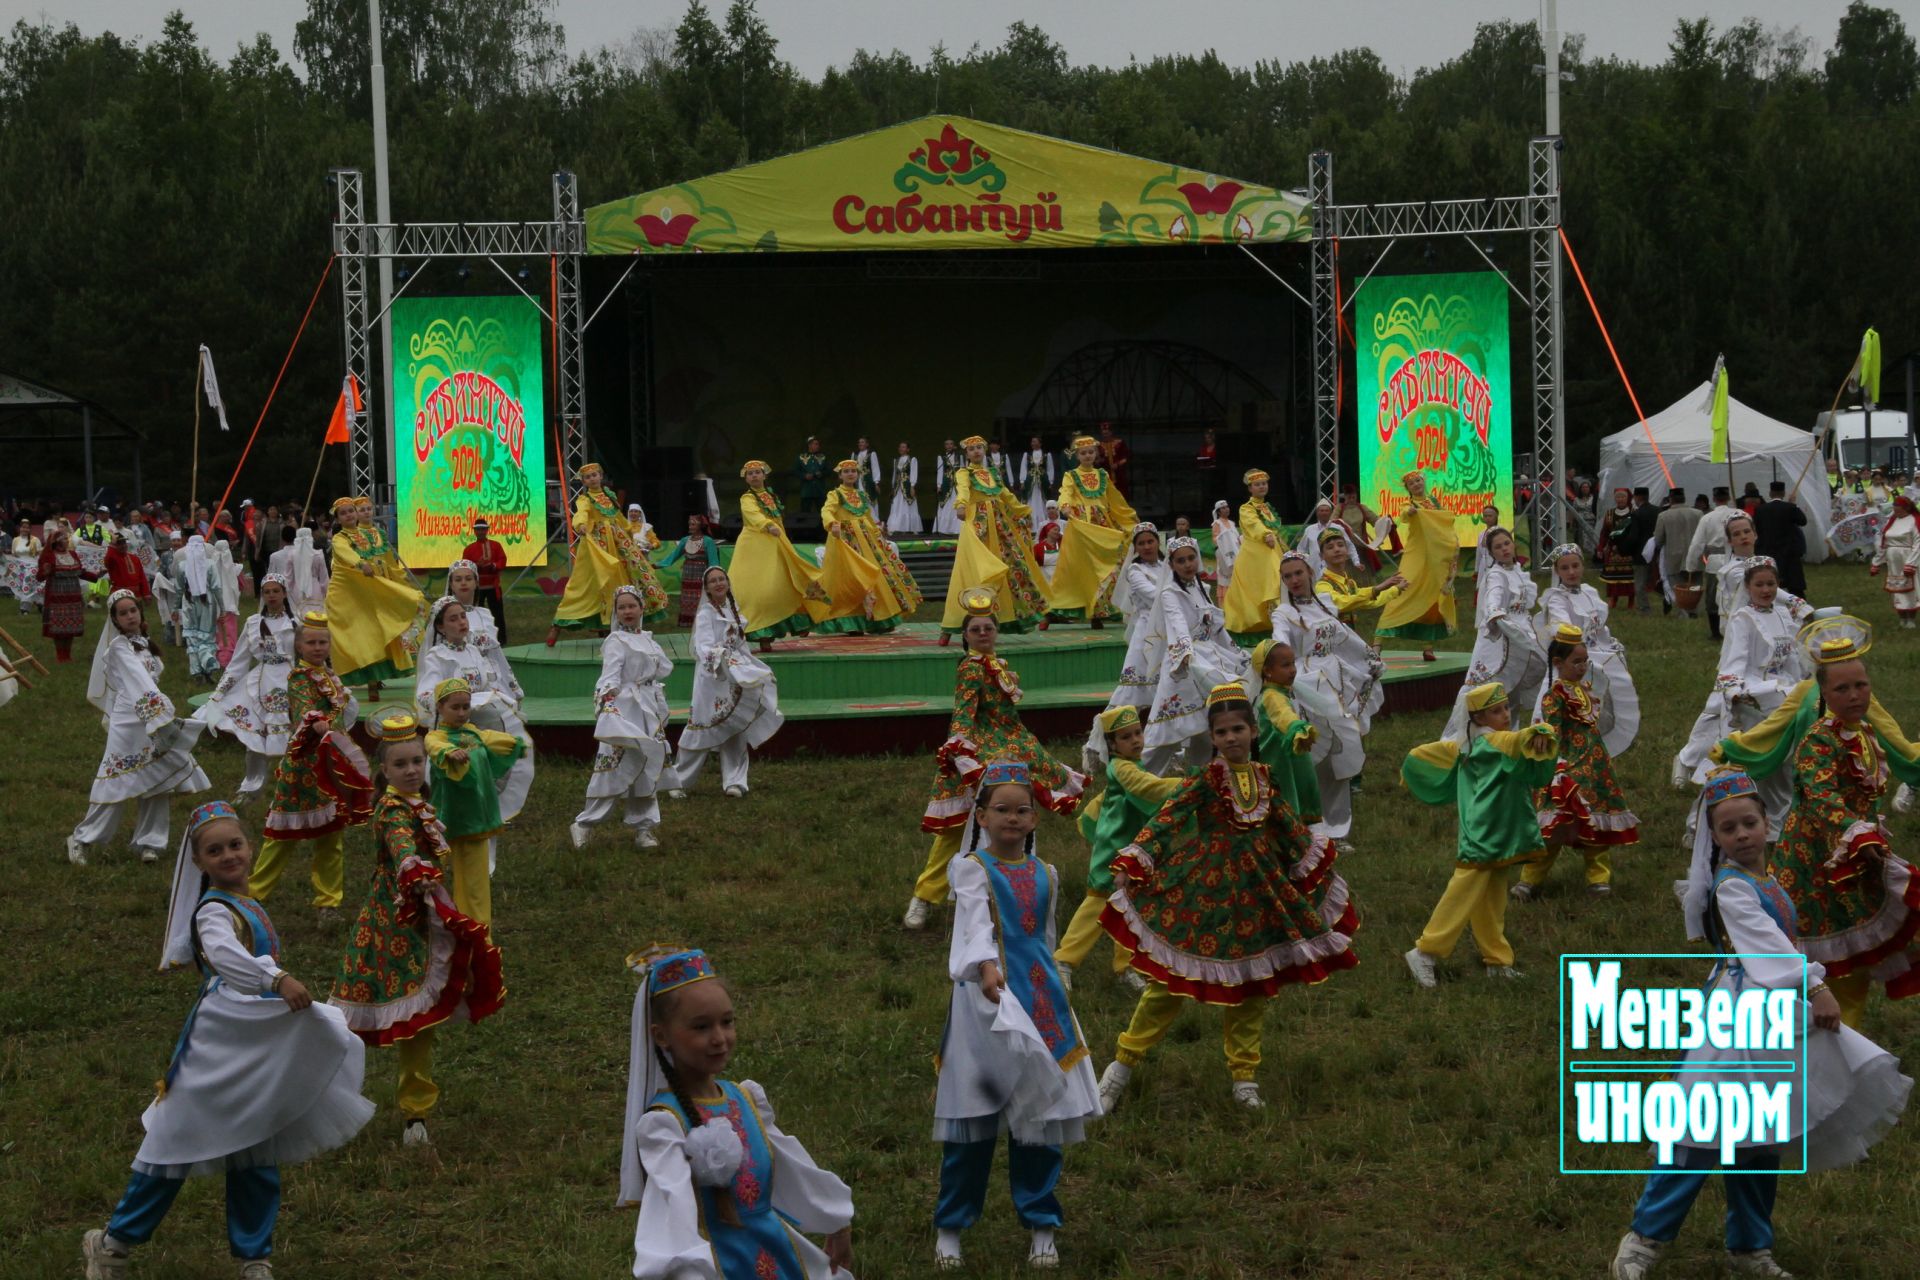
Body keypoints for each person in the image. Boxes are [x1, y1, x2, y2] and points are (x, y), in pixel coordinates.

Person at [1608, 766, 1911, 1280]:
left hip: (1770, 1012)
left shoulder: (1766, 879)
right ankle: (1644, 1240)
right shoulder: (1731, 887)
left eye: (1749, 822)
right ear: (1716, 838)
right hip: (1737, 1015)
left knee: (1757, 1132)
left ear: (1767, 822)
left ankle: (1749, 1247)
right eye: (1728, 829)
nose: (1742, 834)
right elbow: (1765, 949)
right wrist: (1815, 985)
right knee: (1700, 1127)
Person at [80, 800, 374, 1280]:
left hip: (253, 1032)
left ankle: (253, 1255)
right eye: (215, 851)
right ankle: (112, 1245)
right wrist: (276, 980)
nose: (229, 856)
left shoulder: (246, 902)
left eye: (235, 845)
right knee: (175, 1142)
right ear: (199, 862)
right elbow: (222, 955)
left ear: (250, 847)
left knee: (257, 1141)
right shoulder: (213, 910)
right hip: (220, 1036)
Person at [1097, 683, 1358, 1111]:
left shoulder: (1265, 778)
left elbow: (1285, 827)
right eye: (1221, 733)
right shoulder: (1205, 779)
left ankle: (1244, 1076)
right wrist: (1136, 860)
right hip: (1206, 890)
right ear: (1212, 738)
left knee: (1252, 985)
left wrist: (1314, 863)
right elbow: (1169, 816)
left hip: (1257, 893)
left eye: (1238, 729)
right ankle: (1120, 1067)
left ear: (1253, 732)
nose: (1231, 738)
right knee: (1169, 982)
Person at [933, 761, 1101, 1271]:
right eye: (1000, 809)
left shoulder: (1044, 872)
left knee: (1040, 1116)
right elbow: (975, 923)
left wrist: (1053, 982)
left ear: (1034, 820)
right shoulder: (970, 869)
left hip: (1040, 998)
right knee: (975, 1116)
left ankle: (1042, 1222)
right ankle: (951, 1226)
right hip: (985, 1003)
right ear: (981, 816)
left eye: (1022, 810)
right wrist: (986, 967)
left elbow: (1043, 938)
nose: (1012, 818)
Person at [1713, 618, 1920, 1028]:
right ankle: (1823, 1046)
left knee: (1855, 961)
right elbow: (1822, 794)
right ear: (1822, 693)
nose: (1855, 695)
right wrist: (1857, 832)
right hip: (1818, 864)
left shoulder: (1862, 733)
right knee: (1833, 960)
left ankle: (1842, 1044)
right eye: (1842, 688)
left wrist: (1866, 833)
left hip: (1856, 855)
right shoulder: (1819, 740)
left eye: (1860, 685)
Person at [622, 947, 856, 1280]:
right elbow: (671, 1219)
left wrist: (835, 1219)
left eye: (727, 1022)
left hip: (776, 1253)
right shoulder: (665, 1125)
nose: (719, 1038)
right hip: (718, 1267)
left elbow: (791, 1167)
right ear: (662, 1036)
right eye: (701, 1027)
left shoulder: (745, 1099)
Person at [329, 711, 505, 1148]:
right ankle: (408, 1112)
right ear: (383, 770)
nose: (411, 771)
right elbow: (401, 846)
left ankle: (414, 1110)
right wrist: (417, 872)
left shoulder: (416, 803)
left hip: (422, 914)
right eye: (401, 764)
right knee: (411, 1021)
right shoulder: (391, 811)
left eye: (416, 762)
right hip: (397, 923)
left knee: (417, 1020)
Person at [906, 589, 1087, 928]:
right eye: (976, 630)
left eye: (988, 628)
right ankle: (924, 896)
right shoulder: (972, 668)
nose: (983, 634)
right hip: (982, 749)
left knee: (1014, 818)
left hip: (1012, 743)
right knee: (957, 824)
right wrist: (960, 748)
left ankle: (1006, 892)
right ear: (966, 635)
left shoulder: (998, 664)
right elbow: (964, 712)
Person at [1401, 682, 1558, 986]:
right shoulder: (1494, 742)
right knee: (1462, 893)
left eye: (1506, 708)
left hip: (1492, 831)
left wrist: (1413, 765)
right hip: (1484, 835)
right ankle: (1424, 951)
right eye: (1495, 711)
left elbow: (1431, 752)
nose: (1504, 714)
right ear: (1478, 718)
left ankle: (1497, 961)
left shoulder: (1468, 744)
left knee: (1491, 896)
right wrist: (1540, 733)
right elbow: (1518, 740)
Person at [65, 589, 210, 866]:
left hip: (150, 717)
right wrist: (161, 714)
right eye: (123, 612)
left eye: (133, 610)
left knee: (157, 780)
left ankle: (149, 842)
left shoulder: (145, 643)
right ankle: (82, 838)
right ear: (115, 620)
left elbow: (149, 680)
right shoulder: (119, 647)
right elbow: (138, 681)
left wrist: (157, 717)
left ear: (140, 613)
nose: (130, 616)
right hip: (130, 721)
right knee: (116, 782)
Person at [251, 612, 373, 920]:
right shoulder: (299, 678)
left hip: (330, 764)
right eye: (311, 642)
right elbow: (305, 708)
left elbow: (342, 711)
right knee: (281, 836)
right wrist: (317, 723)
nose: (317, 647)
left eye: (323, 642)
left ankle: (328, 903)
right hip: (304, 765)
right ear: (299, 646)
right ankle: (251, 896)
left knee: (331, 835)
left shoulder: (330, 676)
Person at [1514, 625, 1640, 901]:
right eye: (1576, 662)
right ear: (1558, 664)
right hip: (1568, 767)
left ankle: (1598, 878)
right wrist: (1556, 765)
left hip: (1595, 768)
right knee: (1555, 825)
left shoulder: (1585, 690)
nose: (1583, 667)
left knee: (1595, 823)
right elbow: (1552, 730)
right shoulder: (1555, 696)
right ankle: (1530, 879)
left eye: (1585, 661)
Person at [1271, 552, 1382, 850]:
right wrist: (1281, 663)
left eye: (1298, 573)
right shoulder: (1283, 613)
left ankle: (1336, 829)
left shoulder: (1326, 603)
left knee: (1341, 753)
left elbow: (1344, 638)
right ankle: (1310, 827)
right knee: (1314, 755)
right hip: (1306, 685)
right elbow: (1281, 641)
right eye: (1287, 576)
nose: (1294, 580)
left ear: (1310, 572)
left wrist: (1369, 658)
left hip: (1337, 680)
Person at [1056, 707, 1165, 993]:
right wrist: (1186, 787)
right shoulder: (1123, 768)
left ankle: (1126, 967)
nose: (1136, 740)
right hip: (1113, 851)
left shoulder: (1133, 764)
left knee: (1130, 907)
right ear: (1113, 746)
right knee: (1098, 902)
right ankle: (1064, 961)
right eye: (1126, 737)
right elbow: (1147, 789)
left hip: (1130, 850)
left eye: (1138, 733)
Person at [412, 594, 535, 826]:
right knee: (461, 769)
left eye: (462, 617)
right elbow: (426, 693)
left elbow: (487, 681)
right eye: (453, 619)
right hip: (456, 725)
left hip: (482, 719)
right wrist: (448, 703)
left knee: (492, 760)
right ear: (440, 626)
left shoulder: (473, 650)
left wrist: (498, 695)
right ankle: (455, 815)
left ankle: (489, 808)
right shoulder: (438, 656)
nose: (461, 622)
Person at [1135, 536, 1251, 773]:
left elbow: (1216, 628)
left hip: (1209, 657)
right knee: (1166, 732)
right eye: (1181, 561)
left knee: (1206, 727)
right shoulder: (1169, 593)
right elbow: (1176, 624)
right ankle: (1136, 780)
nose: (1188, 564)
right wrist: (1186, 653)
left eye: (1191, 558)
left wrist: (1236, 653)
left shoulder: (1203, 589)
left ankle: (1204, 780)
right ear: (1172, 565)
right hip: (1184, 666)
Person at [571, 585, 673, 850]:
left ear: (641, 608)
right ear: (616, 612)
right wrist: (608, 703)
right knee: (613, 770)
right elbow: (610, 675)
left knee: (647, 767)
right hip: (626, 710)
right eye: (622, 607)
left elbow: (659, 670)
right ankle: (585, 823)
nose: (628, 611)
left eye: (632, 606)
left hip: (648, 709)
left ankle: (644, 828)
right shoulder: (616, 641)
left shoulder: (649, 639)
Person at [665, 568, 782, 799]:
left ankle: (735, 782)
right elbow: (703, 648)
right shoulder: (705, 614)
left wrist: (750, 667)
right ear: (706, 588)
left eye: (722, 579)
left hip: (735, 677)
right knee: (701, 727)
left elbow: (740, 645)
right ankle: (678, 781)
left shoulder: (732, 609)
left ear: (728, 583)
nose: (718, 583)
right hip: (713, 679)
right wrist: (723, 658)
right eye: (713, 581)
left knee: (736, 727)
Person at [423, 677, 525, 931]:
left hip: (475, 819)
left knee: (475, 880)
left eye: (465, 707)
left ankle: (477, 927)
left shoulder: (474, 733)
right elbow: (434, 746)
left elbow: (495, 739)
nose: (461, 713)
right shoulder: (436, 737)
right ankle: (440, 920)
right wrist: (448, 752)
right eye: (454, 707)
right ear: (439, 708)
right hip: (447, 818)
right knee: (437, 874)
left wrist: (518, 745)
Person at [195, 574, 297, 806]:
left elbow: (308, 655)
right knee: (255, 740)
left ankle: (291, 789)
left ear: (284, 593)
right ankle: (251, 787)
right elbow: (238, 662)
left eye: (276, 591)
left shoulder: (296, 622)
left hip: (291, 684)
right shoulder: (252, 623)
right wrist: (219, 693)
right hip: (259, 686)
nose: (271, 596)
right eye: (267, 592)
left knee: (293, 740)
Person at [938, 437, 1051, 642]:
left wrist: (1022, 510)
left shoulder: (992, 473)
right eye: (971, 449)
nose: (976, 452)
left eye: (979, 448)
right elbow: (962, 489)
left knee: (1012, 564)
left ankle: (1009, 615)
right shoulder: (964, 473)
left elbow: (1006, 495)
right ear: (967, 454)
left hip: (999, 526)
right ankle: (952, 625)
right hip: (978, 526)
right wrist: (961, 505)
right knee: (972, 569)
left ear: (985, 450)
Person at [1534, 544, 1640, 756]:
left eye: (1575, 565)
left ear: (1582, 566)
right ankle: (1547, 736)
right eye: (1565, 568)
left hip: (1594, 650)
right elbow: (1561, 625)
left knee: (1603, 688)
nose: (1571, 572)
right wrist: (1576, 644)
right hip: (1571, 654)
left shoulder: (1590, 593)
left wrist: (1607, 641)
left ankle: (1597, 735)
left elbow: (1598, 625)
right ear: (1557, 572)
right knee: (1560, 690)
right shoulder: (1557, 598)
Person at [548, 464, 665, 643]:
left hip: (618, 544)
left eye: (595, 475)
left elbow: (619, 518)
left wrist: (629, 532)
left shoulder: (610, 496)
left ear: (601, 476)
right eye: (588, 477)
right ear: (584, 482)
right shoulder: (585, 499)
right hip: (597, 545)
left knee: (624, 579)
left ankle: (614, 626)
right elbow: (582, 514)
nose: (592, 479)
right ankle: (557, 624)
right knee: (584, 584)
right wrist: (580, 525)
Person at [325, 497, 424, 690]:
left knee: (379, 629)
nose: (349, 515)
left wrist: (400, 578)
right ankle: (364, 677)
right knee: (361, 633)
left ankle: (377, 677)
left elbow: (388, 559)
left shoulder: (377, 533)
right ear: (338, 519)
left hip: (372, 589)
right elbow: (347, 554)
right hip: (348, 596)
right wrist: (361, 564)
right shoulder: (340, 539)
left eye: (351, 511)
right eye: (343, 513)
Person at [734, 459, 834, 647]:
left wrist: (777, 530)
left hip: (777, 541)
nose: (754, 475)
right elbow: (752, 514)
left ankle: (798, 621)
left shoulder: (770, 495)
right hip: (756, 545)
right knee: (761, 586)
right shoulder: (747, 498)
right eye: (750, 473)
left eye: (758, 472)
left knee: (786, 579)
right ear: (746, 479)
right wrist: (767, 524)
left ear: (765, 475)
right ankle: (762, 633)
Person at [1049, 435, 1138, 627]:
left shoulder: (1102, 475)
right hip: (1082, 525)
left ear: (1096, 454)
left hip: (1103, 524)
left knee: (1113, 562)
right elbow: (1066, 492)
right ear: (1077, 456)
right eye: (1083, 453)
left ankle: (1101, 608)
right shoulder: (1071, 475)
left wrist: (1129, 515)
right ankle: (1067, 608)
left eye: (1090, 452)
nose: (1087, 456)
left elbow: (1116, 499)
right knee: (1083, 568)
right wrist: (1064, 506)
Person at [822, 458, 919, 632]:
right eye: (846, 471)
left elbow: (867, 517)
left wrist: (877, 532)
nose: (850, 474)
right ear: (840, 476)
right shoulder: (835, 494)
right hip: (846, 539)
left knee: (875, 574)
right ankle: (851, 622)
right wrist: (832, 524)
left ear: (858, 474)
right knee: (851, 578)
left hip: (867, 541)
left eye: (853, 471)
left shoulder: (861, 495)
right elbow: (827, 510)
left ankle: (879, 618)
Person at [1375, 471, 1457, 659]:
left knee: (1433, 598)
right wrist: (1409, 512)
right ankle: (1377, 644)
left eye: (1418, 480)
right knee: (1401, 592)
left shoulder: (1434, 502)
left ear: (1424, 482)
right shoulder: (1409, 504)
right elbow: (1403, 514)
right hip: (1415, 556)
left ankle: (1428, 647)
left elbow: (1445, 523)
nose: (1416, 484)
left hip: (1434, 559)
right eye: (1412, 483)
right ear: (1408, 488)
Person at [1463, 526, 1546, 711]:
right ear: (1492, 553)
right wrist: (1495, 612)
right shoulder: (1496, 575)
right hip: (1503, 633)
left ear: (1513, 544)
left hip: (1523, 628)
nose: (1505, 549)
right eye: (1498, 547)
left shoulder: (1517, 570)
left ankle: (1512, 732)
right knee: (1496, 690)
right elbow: (1494, 596)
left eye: (1507, 543)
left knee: (1516, 689)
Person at [1250, 638, 1324, 823]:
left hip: (1288, 755)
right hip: (1280, 759)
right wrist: (1298, 728)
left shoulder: (1281, 691)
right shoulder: (1272, 696)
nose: (1293, 669)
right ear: (1267, 671)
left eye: (1292, 663)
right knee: (1286, 796)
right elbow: (1283, 715)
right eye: (1285, 665)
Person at [1222, 468, 1287, 642]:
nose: (1261, 487)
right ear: (1250, 488)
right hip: (1256, 555)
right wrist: (1266, 534)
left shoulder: (1267, 508)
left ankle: (1280, 624)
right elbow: (1253, 524)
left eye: (1264, 483)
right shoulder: (1246, 508)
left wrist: (1285, 548)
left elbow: (1277, 530)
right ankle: (1269, 624)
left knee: (1278, 583)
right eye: (1257, 484)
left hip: (1272, 551)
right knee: (1270, 586)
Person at [35, 524, 98, 661]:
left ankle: (67, 655)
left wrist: (96, 575)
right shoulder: (49, 556)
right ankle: (60, 655)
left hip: (73, 596)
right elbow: (39, 577)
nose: (67, 541)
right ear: (56, 542)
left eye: (67, 538)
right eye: (64, 539)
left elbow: (81, 572)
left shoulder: (73, 554)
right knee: (58, 628)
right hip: (56, 597)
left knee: (70, 627)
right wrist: (46, 571)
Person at [1685, 487, 1739, 641]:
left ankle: (1716, 632)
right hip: (1736, 559)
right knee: (1735, 594)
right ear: (1728, 497)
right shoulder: (1739, 515)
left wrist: (1690, 566)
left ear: (1714, 499)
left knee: (1713, 596)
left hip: (1716, 561)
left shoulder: (1708, 518)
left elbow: (1697, 543)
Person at [658, 514, 720, 628]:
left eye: (693, 524)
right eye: (689, 524)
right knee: (687, 597)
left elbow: (713, 561)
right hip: (687, 574)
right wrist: (659, 564)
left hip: (701, 574)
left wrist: (713, 575)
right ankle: (687, 622)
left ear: (701, 526)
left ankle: (703, 621)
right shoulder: (685, 540)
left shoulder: (708, 541)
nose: (690, 526)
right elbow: (673, 555)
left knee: (701, 596)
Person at [1870, 493, 1919, 627]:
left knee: (1910, 588)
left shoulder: (1914, 521)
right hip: (1893, 562)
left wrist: (1911, 564)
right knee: (1896, 589)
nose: (1896, 512)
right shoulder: (1892, 521)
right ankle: (1902, 617)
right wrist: (1876, 562)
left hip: (1908, 558)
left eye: (1899, 509)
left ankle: (1911, 618)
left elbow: (1918, 544)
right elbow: (1884, 543)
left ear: (1906, 509)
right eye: (1894, 509)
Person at [1653, 488, 1703, 617]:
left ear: (1670, 499)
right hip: (1695, 555)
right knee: (1695, 584)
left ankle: (1684, 612)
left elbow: (1658, 539)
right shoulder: (1698, 514)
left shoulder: (1663, 516)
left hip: (1674, 556)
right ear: (1685, 498)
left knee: (1677, 586)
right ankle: (1693, 610)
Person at [1755, 480, 1808, 597]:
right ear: (1783, 493)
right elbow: (1803, 521)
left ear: (1770, 493)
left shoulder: (1760, 509)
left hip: (1768, 552)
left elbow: (1757, 529)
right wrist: (1794, 504)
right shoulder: (1790, 508)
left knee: (1770, 582)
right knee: (1794, 585)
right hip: (1789, 552)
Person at [461, 516, 510, 643]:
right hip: (477, 587)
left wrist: (493, 565)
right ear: (474, 531)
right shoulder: (469, 549)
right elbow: (465, 566)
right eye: (478, 530)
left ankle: (501, 639)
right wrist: (477, 565)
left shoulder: (496, 545)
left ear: (487, 530)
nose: (481, 532)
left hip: (493, 586)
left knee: (497, 613)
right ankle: (476, 638)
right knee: (475, 612)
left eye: (483, 529)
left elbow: (502, 560)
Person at [269, 526, 328, 618]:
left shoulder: (292, 555)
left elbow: (288, 577)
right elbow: (324, 579)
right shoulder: (318, 555)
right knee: (317, 614)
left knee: (299, 614)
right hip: (315, 587)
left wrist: (287, 591)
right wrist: (326, 592)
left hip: (297, 588)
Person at [1597, 488, 1638, 611]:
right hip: (1613, 552)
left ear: (1628, 498)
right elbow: (1604, 533)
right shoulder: (1609, 514)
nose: (1620, 499)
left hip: (1629, 551)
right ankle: (1613, 599)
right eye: (1618, 497)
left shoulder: (1634, 513)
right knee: (1613, 578)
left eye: (1623, 497)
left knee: (1630, 578)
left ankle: (1631, 601)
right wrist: (1600, 547)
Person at [1625, 486, 1660, 614]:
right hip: (1657, 552)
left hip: (1641, 553)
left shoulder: (1637, 514)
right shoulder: (1658, 511)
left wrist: (1626, 550)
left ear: (1637, 497)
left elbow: (1633, 536)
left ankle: (1644, 608)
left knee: (1640, 583)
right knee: (1659, 579)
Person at [212, 538, 242, 667]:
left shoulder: (210, 567)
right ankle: (227, 656)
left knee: (218, 631)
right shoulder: (235, 569)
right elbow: (240, 585)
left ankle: (218, 655)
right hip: (229, 605)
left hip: (214, 605)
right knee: (229, 631)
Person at [1018, 435, 1054, 537]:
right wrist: (1022, 481)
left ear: (1040, 443)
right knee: (1030, 501)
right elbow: (1023, 468)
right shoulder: (1027, 455)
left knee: (1042, 501)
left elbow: (1050, 469)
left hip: (1043, 482)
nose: (1033, 443)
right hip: (1030, 482)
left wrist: (1051, 481)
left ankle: (1044, 524)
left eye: (1035, 441)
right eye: (1032, 442)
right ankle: (1030, 524)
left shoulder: (1047, 455)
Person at [793, 436, 831, 529]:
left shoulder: (823, 457)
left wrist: (821, 474)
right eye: (815, 444)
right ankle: (805, 532)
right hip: (806, 490)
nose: (818, 446)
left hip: (820, 490)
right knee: (805, 513)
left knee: (823, 512)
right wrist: (804, 476)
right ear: (809, 445)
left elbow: (829, 470)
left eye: (818, 444)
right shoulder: (801, 457)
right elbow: (795, 471)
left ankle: (823, 531)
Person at [887, 441, 923, 535]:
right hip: (898, 487)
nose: (901, 449)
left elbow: (914, 473)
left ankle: (913, 528)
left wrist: (912, 486)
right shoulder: (897, 460)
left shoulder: (912, 460)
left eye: (903, 447)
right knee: (897, 505)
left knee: (908, 504)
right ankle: (895, 527)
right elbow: (895, 474)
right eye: (900, 447)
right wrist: (893, 486)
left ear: (908, 449)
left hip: (907, 485)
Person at [932, 440, 965, 537]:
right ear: (944, 446)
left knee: (957, 504)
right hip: (946, 483)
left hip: (958, 483)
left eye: (951, 444)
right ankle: (944, 529)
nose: (949, 446)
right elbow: (940, 471)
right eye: (947, 444)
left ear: (954, 446)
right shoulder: (941, 458)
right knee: (946, 505)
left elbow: (963, 470)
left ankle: (957, 529)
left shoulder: (960, 456)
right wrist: (939, 485)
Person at [104, 532, 150, 600]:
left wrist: (146, 594)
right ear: (114, 546)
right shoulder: (113, 559)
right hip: (119, 596)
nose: (123, 546)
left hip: (136, 595)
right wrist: (112, 544)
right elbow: (108, 559)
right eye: (119, 544)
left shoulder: (135, 558)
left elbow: (142, 577)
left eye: (124, 543)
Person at [1209, 499, 1240, 595]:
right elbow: (1215, 539)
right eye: (1223, 508)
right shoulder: (1217, 523)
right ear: (1218, 511)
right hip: (1224, 553)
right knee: (1225, 577)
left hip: (1236, 552)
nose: (1226, 509)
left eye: (1227, 507)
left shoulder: (1232, 523)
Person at [1097, 420, 1131, 498]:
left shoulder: (1119, 443)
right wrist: (1098, 461)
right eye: (1103, 433)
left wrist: (1118, 464)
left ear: (1111, 432)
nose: (1105, 434)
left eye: (1107, 432)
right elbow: (1096, 460)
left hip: (1119, 474)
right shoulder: (1099, 445)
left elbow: (1126, 457)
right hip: (1105, 474)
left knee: (1121, 494)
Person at [849, 436, 883, 507]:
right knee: (858, 498)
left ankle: (870, 516)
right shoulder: (854, 455)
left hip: (868, 481)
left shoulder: (871, 454)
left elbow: (875, 468)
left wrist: (876, 482)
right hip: (857, 481)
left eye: (862, 442)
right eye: (859, 442)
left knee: (868, 498)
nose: (860, 444)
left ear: (867, 444)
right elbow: (851, 468)